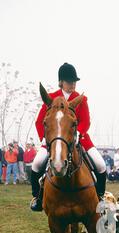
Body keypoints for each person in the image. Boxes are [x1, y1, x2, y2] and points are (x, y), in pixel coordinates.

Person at [31, 62, 106, 211]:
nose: (72, 85)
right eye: (69, 81)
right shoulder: (51, 98)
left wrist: (79, 133)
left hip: (80, 139)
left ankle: (100, 197)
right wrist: (45, 139)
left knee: (101, 165)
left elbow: (85, 121)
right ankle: (37, 198)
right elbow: (40, 121)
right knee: (37, 164)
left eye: (74, 82)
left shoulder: (81, 99)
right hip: (53, 141)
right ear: (61, 82)